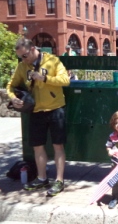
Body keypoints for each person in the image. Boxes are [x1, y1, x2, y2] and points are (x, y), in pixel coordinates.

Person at [7, 38, 70, 196]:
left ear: (33, 48)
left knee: (58, 146)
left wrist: (45, 78)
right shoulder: (22, 67)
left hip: (56, 109)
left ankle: (59, 180)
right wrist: (12, 97)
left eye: (25, 55)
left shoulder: (53, 61)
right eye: (21, 56)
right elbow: (11, 85)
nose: (23, 59)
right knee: (37, 146)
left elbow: (65, 80)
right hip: (36, 111)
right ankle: (42, 178)